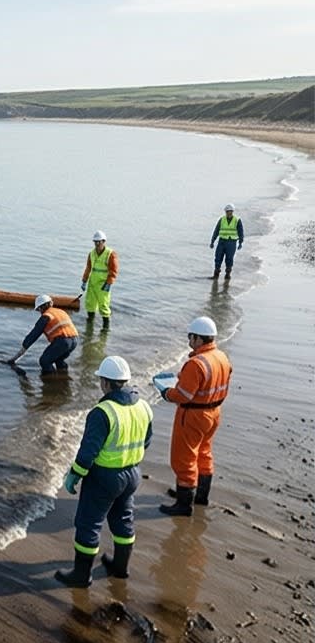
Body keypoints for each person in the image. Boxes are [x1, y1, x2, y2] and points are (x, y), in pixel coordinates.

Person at [55, 355, 153, 587]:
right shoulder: (143, 406)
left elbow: (88, 452)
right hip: (132, 474)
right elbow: (146, 441)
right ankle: (120, 567)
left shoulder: (103, 412)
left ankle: (81, 576)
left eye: (101, 381)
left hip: (104, 478)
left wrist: (74, 475)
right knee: (123, 518)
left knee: (89, 523)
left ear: (106, 383)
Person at [155, 316, 232, 516]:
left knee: (184, 458)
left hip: (193, 415)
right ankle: (201, 496)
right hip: (213, 413)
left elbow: (183, 395)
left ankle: (184, 503)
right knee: (204, 453)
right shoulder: (221, 357)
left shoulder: (196, 363)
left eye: (191, 337)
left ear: (198, 338)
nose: (189, 341)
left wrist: (166, 392)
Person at [7, 294, 79, 375]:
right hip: (75, 340)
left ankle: (50, 382)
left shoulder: (46, 316)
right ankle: (63, 378)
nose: (39, 312)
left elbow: (33, 336)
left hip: (62, 342)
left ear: (41, 308)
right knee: (59, 360)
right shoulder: (61, 311)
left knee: (44, 361)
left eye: (38, 310)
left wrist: (16, 357)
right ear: (51, 303)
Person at [80, 230, 119, 330]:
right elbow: (88, 268)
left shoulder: (110, 254)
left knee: (103, 305)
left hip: (103, 285)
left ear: (103, 241)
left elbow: (114, 270)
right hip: (92, 283)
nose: (97, 244)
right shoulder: (91, 254)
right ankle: (90, 325)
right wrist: (84, 281)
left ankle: (105, 328)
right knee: (90, 304)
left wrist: (109, 283)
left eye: (99, 242)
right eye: (95, 242)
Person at [209, 203, 244, 279]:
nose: (229, 213)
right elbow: (216, 231)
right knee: (218, 258)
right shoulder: (222, 220)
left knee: (229, 259)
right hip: (221, 242)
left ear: (233, 211)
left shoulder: (237, 220)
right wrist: (212, 241)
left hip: (231, 242)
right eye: (227, 211)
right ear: (225, 212)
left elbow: (241, 232)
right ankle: (216, 275)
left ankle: (227, 274)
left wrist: (241, 242)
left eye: (230, 211)